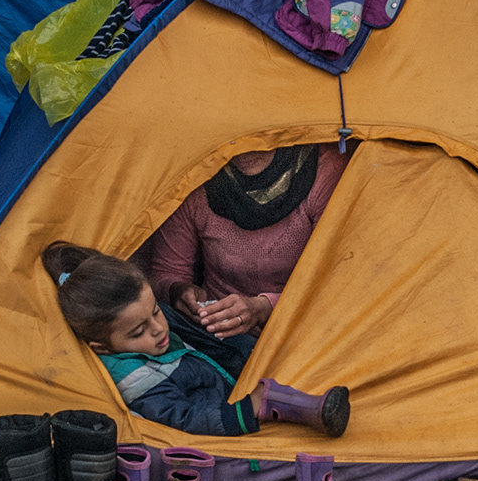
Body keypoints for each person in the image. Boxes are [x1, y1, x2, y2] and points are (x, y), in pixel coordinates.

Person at [43, 242, 349, 438]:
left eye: (156, 312)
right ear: (101, 347)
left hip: (230, 383)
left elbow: (203, 340)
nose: (158, 329)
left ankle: (313, 403)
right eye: (138, 332)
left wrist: (184, 303)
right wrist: (247, 409)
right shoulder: (134, 376)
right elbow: (182, 418)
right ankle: (309, 409)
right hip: (224, 420)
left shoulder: (148, 323)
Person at [144, 142, 351, 375]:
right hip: (218, 336)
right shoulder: (195, 173)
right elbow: (166, 272)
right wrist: (177, 291)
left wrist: (265, 308)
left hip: (307, 332)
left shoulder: (325, 171)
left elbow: (341, 283)